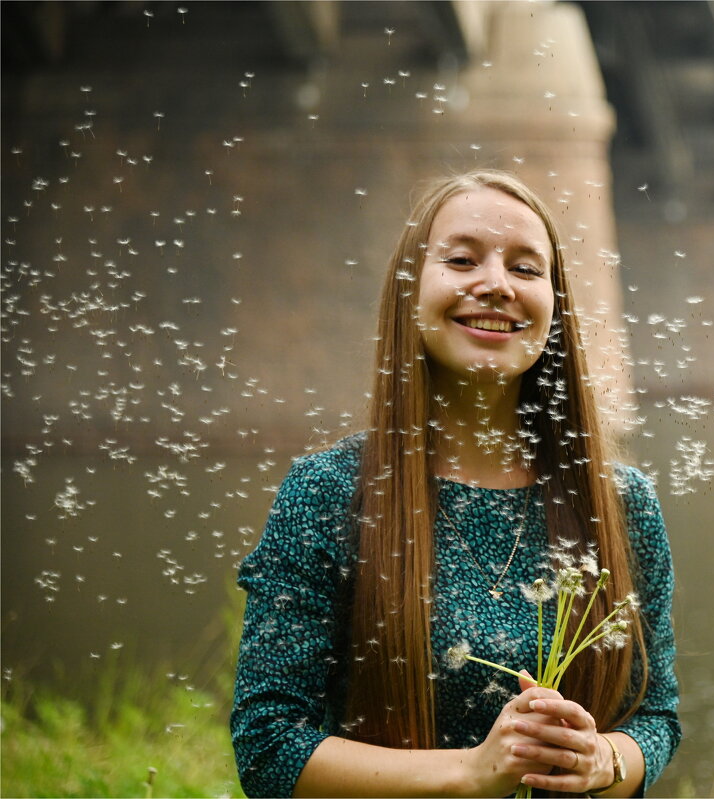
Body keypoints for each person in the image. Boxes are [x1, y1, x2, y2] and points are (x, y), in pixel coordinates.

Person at [230, 170, 680, 797]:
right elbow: (269, 746)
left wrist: (601, 761)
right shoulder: (329, 493)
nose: (495, 284)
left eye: (526, 269)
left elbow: (656, 718)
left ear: (555, 306)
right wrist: (471, 773)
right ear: (410, 291)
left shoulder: (622, 503)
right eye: (463, 259)